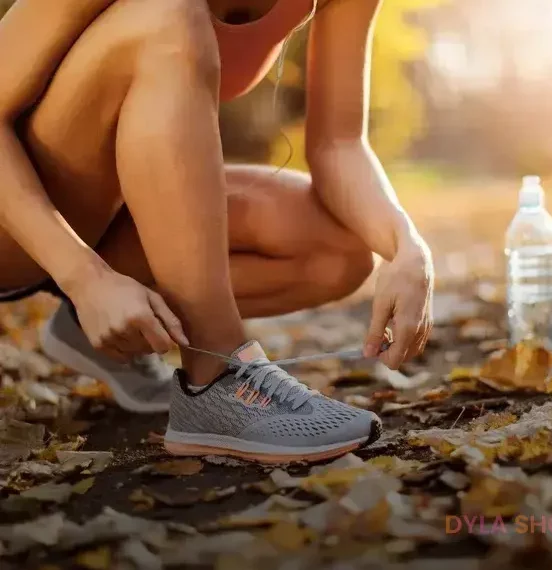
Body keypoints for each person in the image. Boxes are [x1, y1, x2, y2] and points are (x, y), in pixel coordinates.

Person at [0, 0, 434, 463]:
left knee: (338, 251)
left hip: (112, 213)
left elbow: (339, 143)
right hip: (16, 224)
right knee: (166, 16)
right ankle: (216, 378)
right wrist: (83, 278)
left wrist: (406, 247)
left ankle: (109, 331)